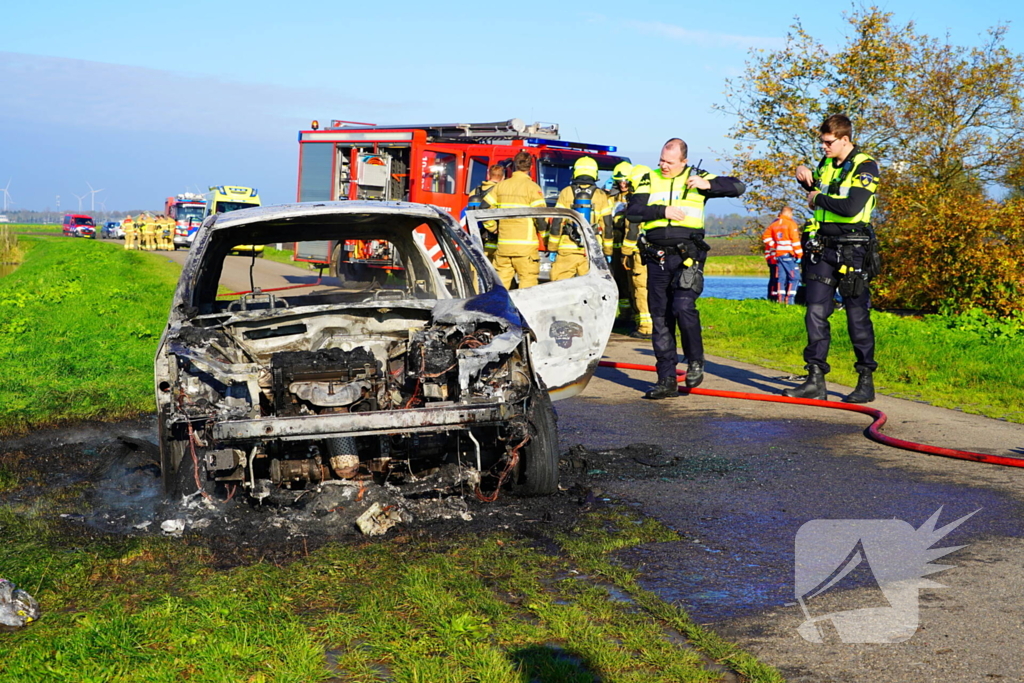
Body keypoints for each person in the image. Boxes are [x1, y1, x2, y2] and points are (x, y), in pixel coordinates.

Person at [627, 139, 746, 399]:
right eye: (661, 160)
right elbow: (633, 211)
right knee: (660, 319)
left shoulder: (697, 177)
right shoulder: (649, 178)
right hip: (656, 257)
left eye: (669, 162)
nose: (663, 165)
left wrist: (709, 185)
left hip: (687, 257)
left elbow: (738, 186)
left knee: (682, 307)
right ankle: (666, 379)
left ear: (684, 161)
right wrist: (663, 210)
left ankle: (695, 361)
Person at [784, 113, 880, 403]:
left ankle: (865, 380)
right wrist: (804, 176)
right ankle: (815, 377)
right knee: (815, 311)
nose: (823, 147)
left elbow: (851, 206)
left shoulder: (866, 166)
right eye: (822, 142)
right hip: (823, 247)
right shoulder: (826, 163)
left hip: (853, 248)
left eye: (828, 142)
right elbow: (819, 191)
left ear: (845, 140)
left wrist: (815, 198)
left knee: (856, 315)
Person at [482, 151, 548, 288]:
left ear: (513, 167)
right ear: (530, 168)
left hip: (504, 247)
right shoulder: (533, 188)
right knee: (527, 287)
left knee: (500, 288)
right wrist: (546, 238)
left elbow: (484, 208)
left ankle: (497, 309)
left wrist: (493, 228)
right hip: (526, 249)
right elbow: (541, 218)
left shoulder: (501, 186)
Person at [547, 156, 613, 281]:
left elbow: (557, 223)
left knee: (560, 287)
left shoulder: (566, 192)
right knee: (590, 289)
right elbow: (607, 226)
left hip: (567, 250)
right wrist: (608, 252)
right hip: (591, 250)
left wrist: (552, 248)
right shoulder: (601, 195)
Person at [619, 164, 653, 338]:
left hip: (640, 253)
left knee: (641, 287)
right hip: (654, 251)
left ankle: (646, 327)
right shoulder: (656, 198)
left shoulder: (637, 201)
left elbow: (632, 230)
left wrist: (625, 252)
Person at [607, 161, 634, 327]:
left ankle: (636, 317)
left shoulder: (637, 195)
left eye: (626, 180)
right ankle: (624, 315)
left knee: (634, 284)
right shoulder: (611, 197)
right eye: (620, 181)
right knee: (620, 284)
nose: (623, 184)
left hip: (631, 248)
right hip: (615, 248)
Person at [762, 207, 803, 303]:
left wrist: (775, 245)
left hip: (778, 254)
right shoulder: (791, 224)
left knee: (781, 277)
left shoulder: (774, 224)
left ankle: (780, 299)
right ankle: (790, 300)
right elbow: (795, 241)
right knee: (795, 277)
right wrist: (799, 255)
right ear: (789, 214)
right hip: (789, 254)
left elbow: (765, 237)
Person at [465, 164, 504, 261]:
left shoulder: (475, 191)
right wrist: (494, 228)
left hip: (476, 235)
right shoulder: (500, 192)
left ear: (488, 176)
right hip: (494, 237)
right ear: (503, 178)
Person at [761, 222, 778, 300]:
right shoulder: (773, 240)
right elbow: (768, 251)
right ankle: (773, 296)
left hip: (773, 261)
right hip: (774, 261)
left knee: (774, 279)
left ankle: (773, 296)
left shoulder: (770, 239)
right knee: (774, 279)